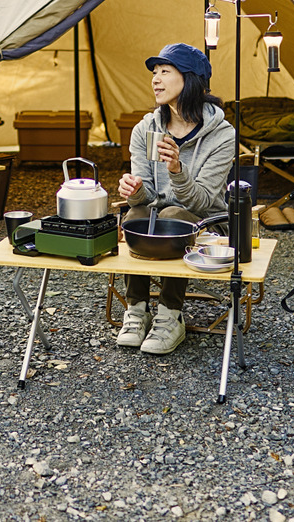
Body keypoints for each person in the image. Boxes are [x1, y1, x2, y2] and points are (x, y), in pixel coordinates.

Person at [115, 42, 236, 354]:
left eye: (165, 72)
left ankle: (171, 315)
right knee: (135, 216)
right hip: (157, 216)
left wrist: (177, 170)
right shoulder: (146, 129)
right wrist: (134, 190)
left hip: (205, 222)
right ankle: (137, 310)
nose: (155, 80)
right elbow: (146, 197)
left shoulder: (222, 135)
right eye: (154, 73)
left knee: (173, 216)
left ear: (190, 79)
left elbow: (203, 201)